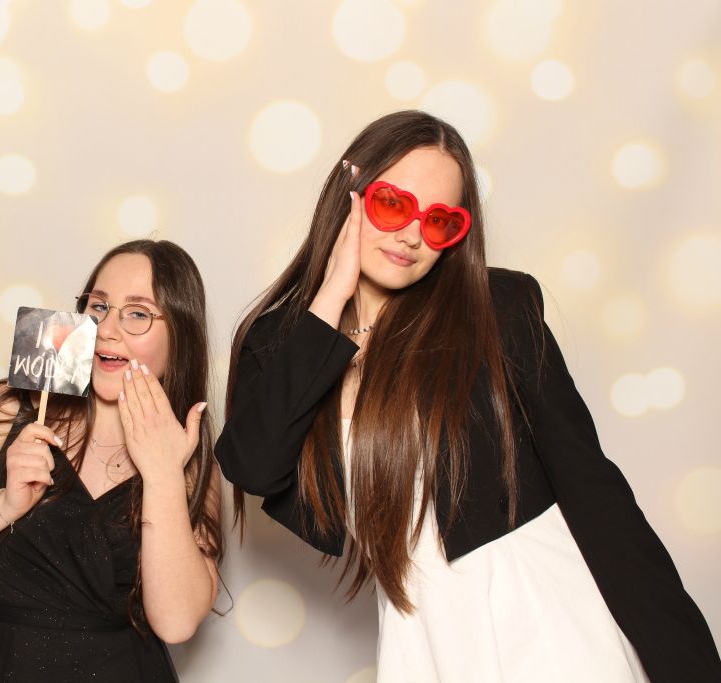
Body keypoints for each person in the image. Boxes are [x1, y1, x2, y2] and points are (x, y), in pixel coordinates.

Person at [215, 110, 720, 681]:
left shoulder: (497, 311)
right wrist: (331, 296)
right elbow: (253, 465)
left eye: (439, 221)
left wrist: (689, 665)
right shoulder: (281, 341)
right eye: (392, 205)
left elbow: (594, 491)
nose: (412, 235)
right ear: (349, 196)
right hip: (422, 631)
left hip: (542, 616)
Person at [0, 239, 222, 682]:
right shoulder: (14, 407)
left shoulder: (188, 452)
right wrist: (5, 504)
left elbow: (177, 622)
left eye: (138, 313)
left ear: (180, 335)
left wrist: (162, 474)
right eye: (98, 306)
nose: (107, 329)